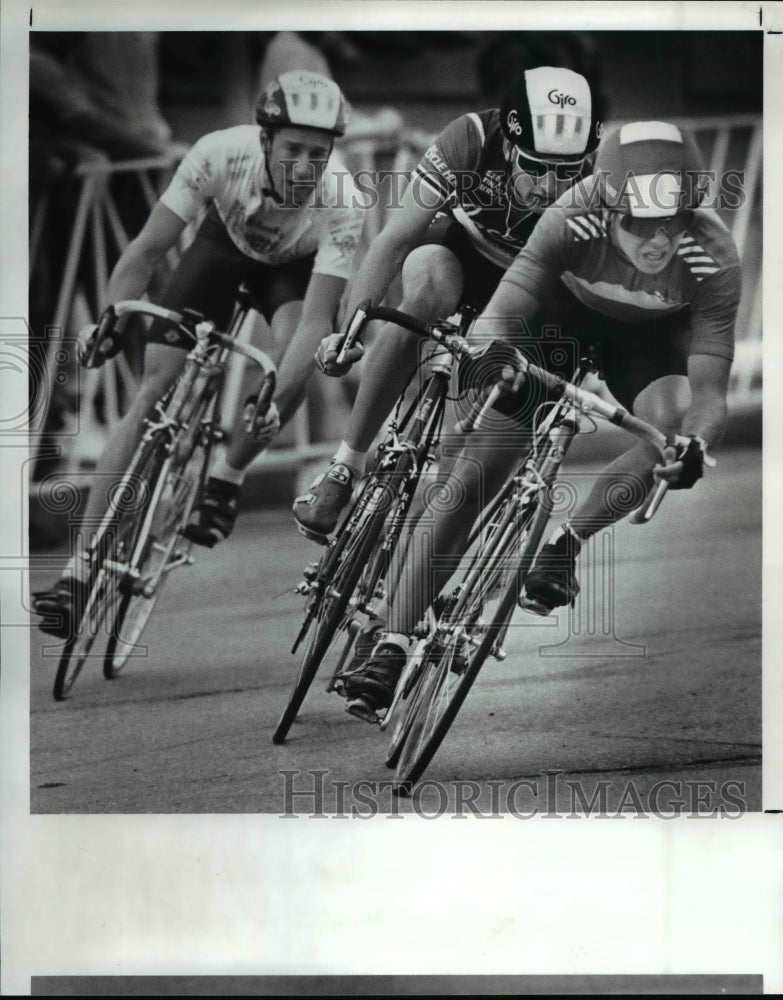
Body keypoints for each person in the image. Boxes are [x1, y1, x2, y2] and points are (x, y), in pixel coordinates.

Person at [340, 120, 741, 722]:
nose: (658, 240)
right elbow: (499, 316)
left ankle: (565, 543)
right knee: (480, 470)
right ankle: (393, 641)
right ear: (605, 202)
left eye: (674, 218)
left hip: (647, 340)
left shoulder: (712, 257)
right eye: (639, 220)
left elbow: (711, 393)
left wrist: (693, 444)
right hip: (558, 319)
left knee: (671, 423)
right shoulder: (571, 217)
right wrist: (496, 359)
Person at [33, 71, 368, 638]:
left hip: (291, 275)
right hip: (222, 249)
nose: (306, 166)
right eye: (293, 149)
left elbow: (316, 320)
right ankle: (80, 571)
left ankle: (227, 475)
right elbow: (146, 251)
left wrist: (277, 393)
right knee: (148, 394)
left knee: (287, 362)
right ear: (265, 141)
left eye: (319, 152)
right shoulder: (217, 153)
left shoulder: (344, 200)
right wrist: (113, 317)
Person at [293, 65, 604, 544]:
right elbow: (394, 241)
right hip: (463, 253)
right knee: (426, 293)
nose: (547, 187)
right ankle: (344, 468)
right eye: (534, 168)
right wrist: (351, 330)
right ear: (508, 147)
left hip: (533, 283)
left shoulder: (600, 174)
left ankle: (433, 543)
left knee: (476, 432)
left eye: (565, 173)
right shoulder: (470, 139)